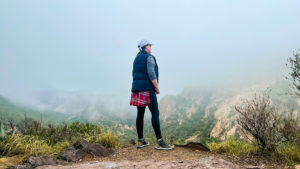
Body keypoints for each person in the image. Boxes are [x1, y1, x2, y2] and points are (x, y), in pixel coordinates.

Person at [130, 39, 174, 150]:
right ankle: (160, 142)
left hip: (137, 89)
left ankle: (141, 141)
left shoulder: (136, 58)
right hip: (147, 89)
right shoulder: (149, 57)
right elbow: (151, 73)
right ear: (145, 47)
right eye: (149, 45)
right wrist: (156, 87)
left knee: (140, 114)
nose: (151, 47)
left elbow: (134, 73)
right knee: (155, 112)